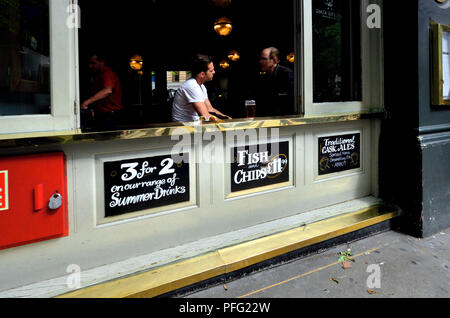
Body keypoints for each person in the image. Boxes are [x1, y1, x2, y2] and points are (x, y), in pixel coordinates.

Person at [172, 54, 231, 122]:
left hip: (193, 124)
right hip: (183, 128)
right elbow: (206, 116)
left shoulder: (201, 86)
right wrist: (227, 124)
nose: (214, 72)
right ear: (202, 74)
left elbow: (210, 109)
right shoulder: (191, 85)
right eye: (211, 71)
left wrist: (227, 118)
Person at [81, 53, 124, 131]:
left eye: (93, 63)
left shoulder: (107, 73)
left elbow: (107, 90)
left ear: (102, 62)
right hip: (103, 114)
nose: (90, 66)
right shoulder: (97, 75)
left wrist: (86, 102)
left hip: (110, 115)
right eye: (89, 63)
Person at [255, 47, 295, 117]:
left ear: (274, 60)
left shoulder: (286, 74)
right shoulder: (264, 76)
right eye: (260, 59)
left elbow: (290, 102)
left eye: (264, 59)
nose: (260, 62)